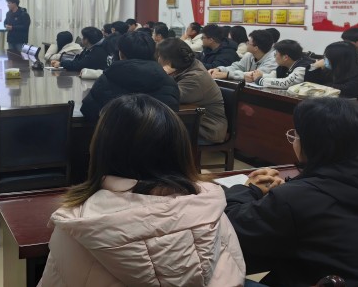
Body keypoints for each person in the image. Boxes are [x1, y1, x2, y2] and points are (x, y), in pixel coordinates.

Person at [39, 94, 246, 287]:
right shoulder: (212, 206)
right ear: (181, 150)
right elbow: (234, 272)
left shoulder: (77, 225)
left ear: (101, 150)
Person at [224, 98, 358, 287]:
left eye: (296, 134)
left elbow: (229, 229)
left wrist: (249, 189)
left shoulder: (298, 199)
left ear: (314, 145)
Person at [80, 31, 179, 121]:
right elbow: (173, 113)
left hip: (114, 134)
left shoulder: (106, 80)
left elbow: (88, 110)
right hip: (159, 134)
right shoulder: (168, 82)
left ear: (121, 54)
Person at [157, 38, 228, 143]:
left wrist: (162, 74)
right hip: (190, 123)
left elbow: (169, 97)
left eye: (160, 56)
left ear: (169, 61)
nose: (158, 60)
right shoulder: (187, 66)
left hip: (207, 130)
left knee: (153, 134)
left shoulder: (196, 78)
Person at [311, 41, 358, 124]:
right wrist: (314, 67)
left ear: (339, 59)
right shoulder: (334, 68)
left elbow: (345, 90)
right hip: (338, 108)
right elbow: (311, 83)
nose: (325, 60)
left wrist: (322, 86)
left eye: (327, 57)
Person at [209, 30, 276, 80]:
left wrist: (228, 75)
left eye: (248, 42)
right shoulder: (249, 55)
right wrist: (219, 69)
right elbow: (237, 66)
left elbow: (255, 75)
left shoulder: (273, 60)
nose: (246, 43)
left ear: (256, 48)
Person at [247, 40, 313, 89]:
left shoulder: (303, 67)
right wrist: (256, 76)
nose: (274, 57)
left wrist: (259, 80)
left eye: (276, 54)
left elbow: (285, 83)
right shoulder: (285, 64)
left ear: (285, 57)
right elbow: (274, 75)